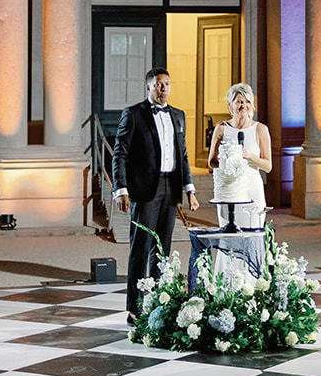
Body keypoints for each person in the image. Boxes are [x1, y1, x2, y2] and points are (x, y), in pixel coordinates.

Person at [112, 68, 198, 321]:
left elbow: (182, 156)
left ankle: (160, 303)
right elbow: (120, 154)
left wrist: (189, 189)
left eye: (167, 84)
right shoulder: (134, 114)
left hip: (170, 188)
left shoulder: (178, 116)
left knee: (163, 250)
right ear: (148, 88)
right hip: (144, 189)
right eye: (158, 85)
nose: (163, 89)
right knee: (141, 248)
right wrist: (121, 189)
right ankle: (135, 308)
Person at [207, 82, 271, 229]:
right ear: (230, 104)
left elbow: (268, 166)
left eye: (247, 102)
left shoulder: (260, 129)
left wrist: (249, 156)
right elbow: (211, 162)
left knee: (252, 232)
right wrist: (226, 160)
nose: (244, 106)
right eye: (239, 102)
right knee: (229, 235)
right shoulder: (221, 128)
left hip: (252, 187)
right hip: (229, 189)